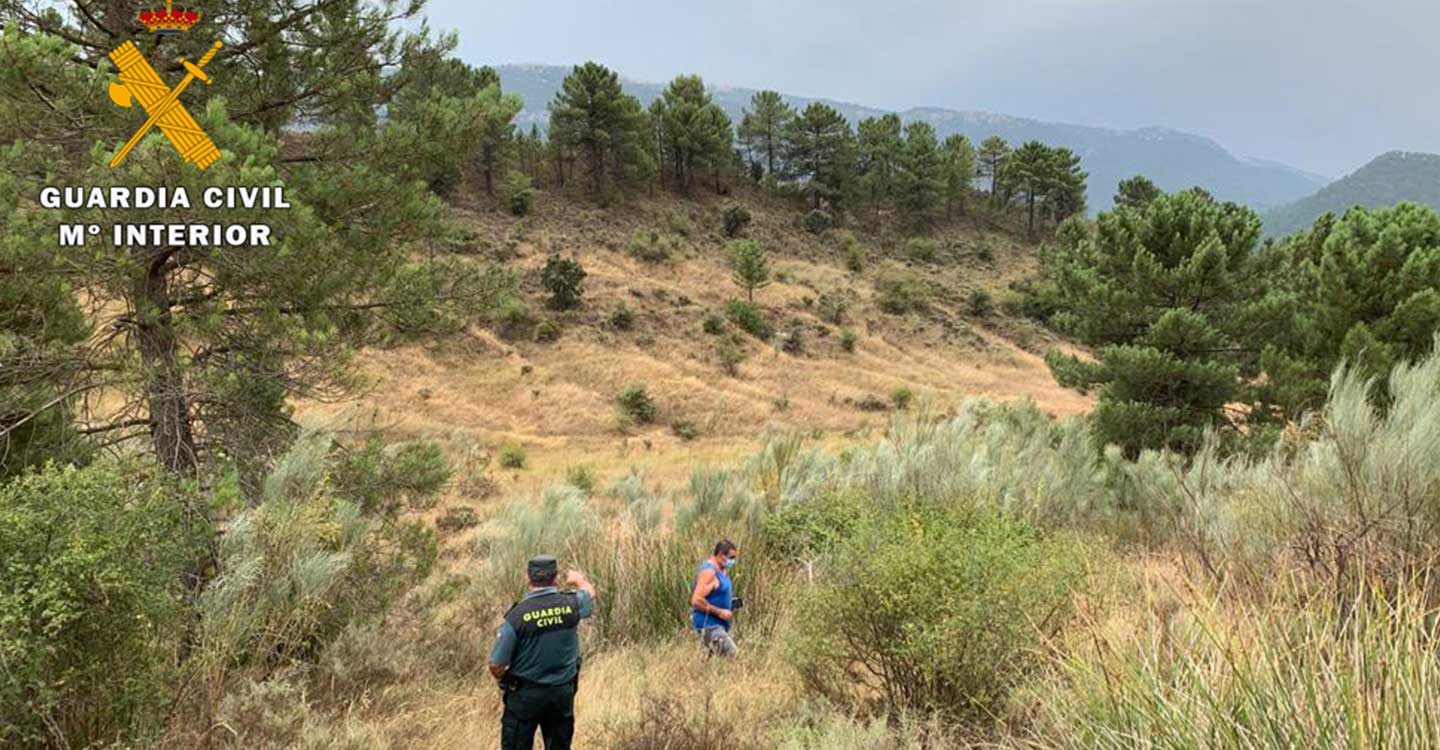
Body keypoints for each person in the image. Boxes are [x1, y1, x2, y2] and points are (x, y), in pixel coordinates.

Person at [488, 554, 596, 750]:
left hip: (524, 695)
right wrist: (578, 579)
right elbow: (589, 592)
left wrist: (506, 679)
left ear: (528, 578)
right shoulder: (571, 604)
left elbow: (496, 665)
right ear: (555, 578)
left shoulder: (517, 617)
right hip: (563, 692)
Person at [690, 539, 739, 657]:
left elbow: (715, 593)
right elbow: (696, 600)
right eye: (731, 558)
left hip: (721, 624)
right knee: (732, 655)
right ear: (721, 555)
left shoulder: (722, 570)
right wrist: (719, 611)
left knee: (711, 662)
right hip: (709, 625)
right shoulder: (709, 572)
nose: (733, 561)